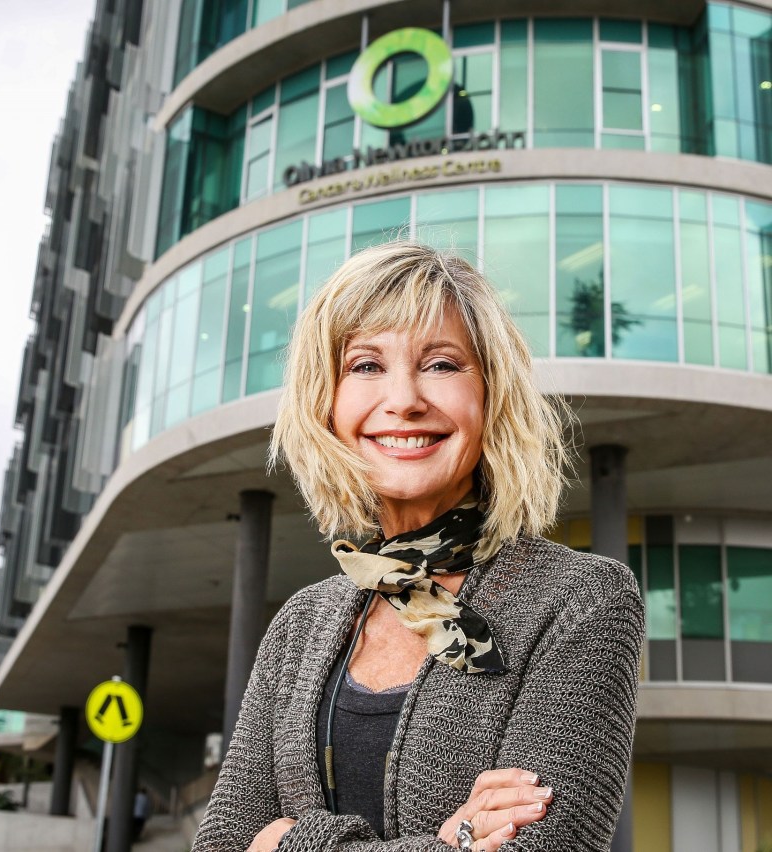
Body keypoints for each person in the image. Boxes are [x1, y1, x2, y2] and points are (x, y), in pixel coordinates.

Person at [192, 241, 644, 852]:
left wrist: (290, 845)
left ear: (491, 396)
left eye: (441, 365)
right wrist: (457, 839)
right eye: (366, 366)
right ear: (324, 403)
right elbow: (219, 843)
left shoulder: (584, 600)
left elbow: (543, 846)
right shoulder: (299, 623)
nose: (403, 399)